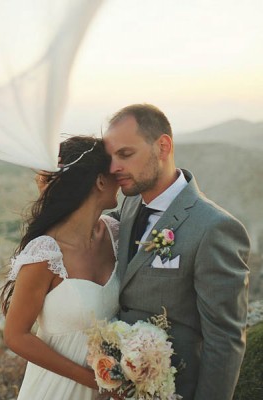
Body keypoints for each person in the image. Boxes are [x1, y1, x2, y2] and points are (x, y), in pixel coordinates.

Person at [103, 104, 250, 399]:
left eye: (125, 154)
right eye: (110, 157)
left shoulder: (214, 228)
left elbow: (224, 339)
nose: (113, 167)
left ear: (163, 146)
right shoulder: (130, 205)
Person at [0, 136, 121, 399]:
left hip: (111, 388)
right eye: (114, 173)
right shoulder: (45, 252)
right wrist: (94, 380)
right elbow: (16, 335)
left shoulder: (115, 234)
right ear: (100, 181)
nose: (121, 179)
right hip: (56, 390)